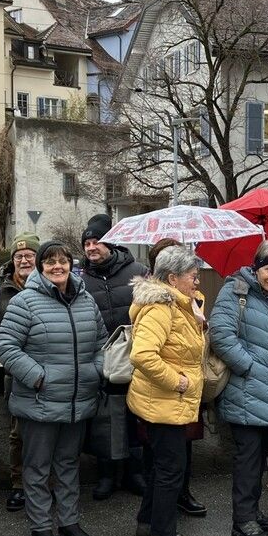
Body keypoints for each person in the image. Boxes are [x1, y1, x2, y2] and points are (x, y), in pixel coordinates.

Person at [0, 241, 105, 536]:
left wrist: (95, 370)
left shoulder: (86, 300)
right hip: (40, 401)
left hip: (78, 399)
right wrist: (38, 377)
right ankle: (41, 526)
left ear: (71, 264)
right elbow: (6, 346)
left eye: (63, 261)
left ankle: (69, 522)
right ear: (41, 267)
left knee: (69, 464)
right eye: (50, 262)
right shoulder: (25, 302)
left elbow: (101, 341)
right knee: (38, 467)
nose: (57, 266)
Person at [209, 241, 268, 536]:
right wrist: (249, 367)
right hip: (245, 390)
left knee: (259, 459)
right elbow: (220, 334)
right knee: (248, 458)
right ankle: (242, 519)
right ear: (256, 268)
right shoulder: (236, 292)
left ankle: (251, 510)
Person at [127, 246, 206, 536]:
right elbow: (143, 355)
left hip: (167, 402)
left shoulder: (179, 305)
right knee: (171, 469)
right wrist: (179, 381)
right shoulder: (161, 307)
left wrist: (199, 322)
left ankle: (147, 525)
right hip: (164, 401)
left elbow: (182, 346)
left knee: (163, 468)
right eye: (192, 276)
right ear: (173, 278)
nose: (197, 281)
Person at [80, 214, 149, 502]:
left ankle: (135, 473)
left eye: (96, 241)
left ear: (111, 242)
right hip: (100, 357)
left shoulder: (139, 271)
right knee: (105, 420)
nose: (91, 247)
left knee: (135, 416)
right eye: (87, 243)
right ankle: (107, 474)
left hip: (135, 356)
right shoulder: (80, 279)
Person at [0, 232, 39, 513]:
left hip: (47, 370)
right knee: (17, 434)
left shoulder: (53, 287)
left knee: (49, 433)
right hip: (15, 372)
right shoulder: (0, 293)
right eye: (19, 257)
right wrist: (13, 338)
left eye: (30, 255)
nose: (24, 260)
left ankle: (44, 485)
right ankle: (18, 485)